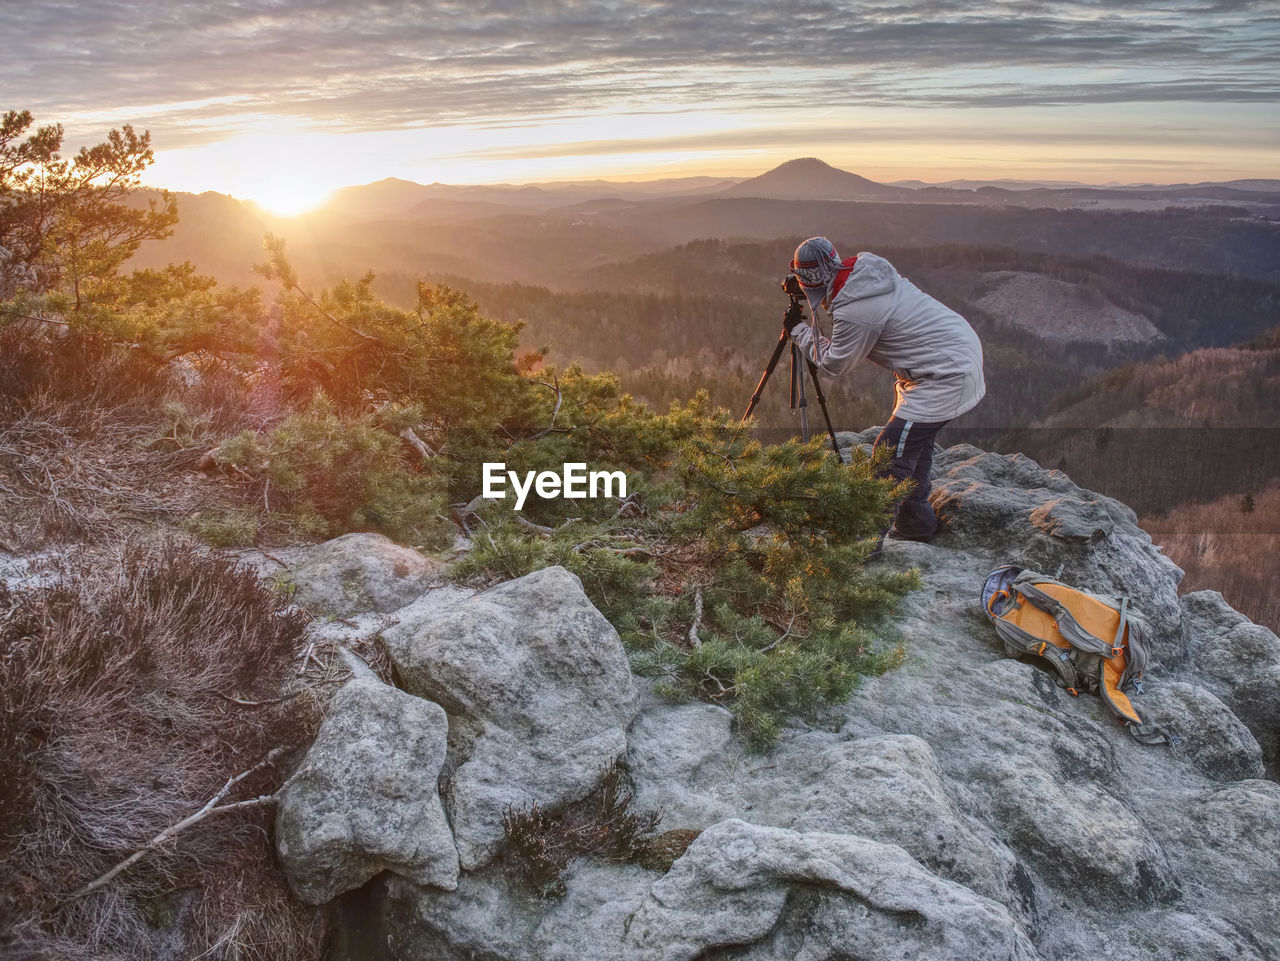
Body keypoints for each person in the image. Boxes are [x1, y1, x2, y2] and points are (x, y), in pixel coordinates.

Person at [783, 236, 985, 545]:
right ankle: (915, 523)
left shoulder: (856, 310)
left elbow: (834, 364)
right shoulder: (865, 273)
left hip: (945, 376)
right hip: (954, 355)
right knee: (913, 446)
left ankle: (863, 543)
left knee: (890, 452)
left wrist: (799, 332)